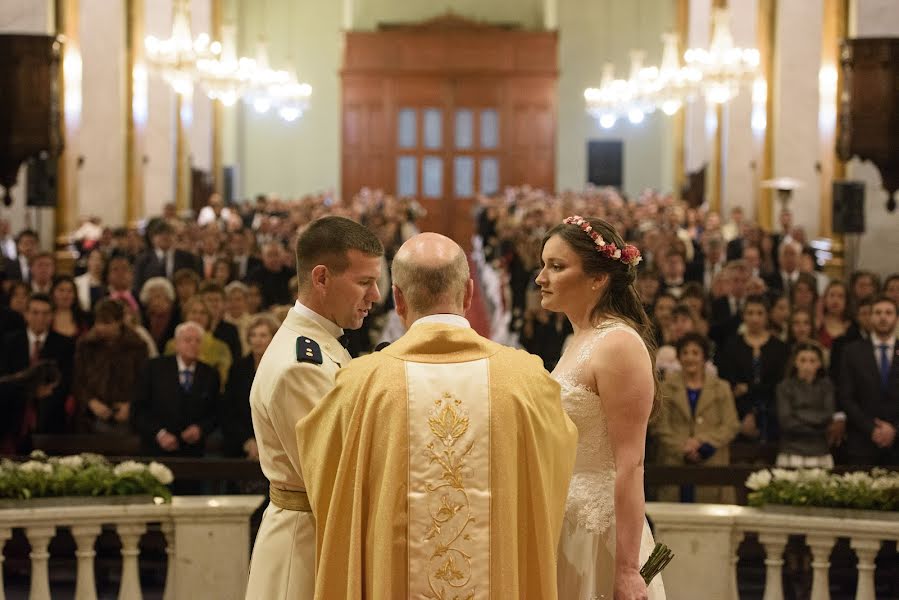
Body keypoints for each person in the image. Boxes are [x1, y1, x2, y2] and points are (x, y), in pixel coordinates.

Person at [296, 232, 577, 599]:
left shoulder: (360, 386)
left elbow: (322, 480)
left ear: (397, 298)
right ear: (469, 294)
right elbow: (553, 480)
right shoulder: (526, 381)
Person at [245, 216, 384, 600]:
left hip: (320, 537)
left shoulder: (322, 344)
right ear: (321, 278)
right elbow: (338, 476)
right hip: (304, 549)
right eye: (364, 282)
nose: (375, 295)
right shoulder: (301, 366)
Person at [535, 215, 665, 600]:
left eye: (556, 267)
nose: (541, 277)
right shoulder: (578, 339)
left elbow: (630, 463)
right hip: (566, 520)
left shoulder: (618, 344)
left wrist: (626, 569)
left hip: (601, 530)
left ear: (597, 278)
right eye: (543, 265)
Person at [653, 333, 739, 503]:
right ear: (679, 357)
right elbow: (659, 427)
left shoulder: (721, 387)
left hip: (712, 463)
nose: (690, 358)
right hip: (675, 463)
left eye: (695, 353)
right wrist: (684, 446)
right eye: (685, 353)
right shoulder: (666, 389)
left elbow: (730, 425)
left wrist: (700, 442)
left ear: (704, 357)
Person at [132, 321, 219, 457]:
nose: (193, 344)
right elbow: (139, 410)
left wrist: (200, 429)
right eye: (188, 340)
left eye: (197, 341)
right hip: (156, 448)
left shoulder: (210, 374)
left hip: (193, 453)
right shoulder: (154, 368)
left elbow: (215, 412)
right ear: (176, 344)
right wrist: (159, 434)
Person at [717, 295, 789, 444]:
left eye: (759, 313)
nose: (755, 319)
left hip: (772, 412)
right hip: (738, 412)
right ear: (743, 315)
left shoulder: (780, 347)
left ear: (767, 315)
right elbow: (729, 382)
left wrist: (749, 388)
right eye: (750, 313)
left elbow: (779, 383)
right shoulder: (731, 345)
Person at [0, 293, 75, 434]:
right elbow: (5, 377)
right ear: (26, 314)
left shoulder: (65, 344)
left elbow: (66, 381)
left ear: (52, 316)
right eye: (35, 312)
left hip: (50, 417)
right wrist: (28, 392)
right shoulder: (9, 342)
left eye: (45, 313)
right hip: (12, 415)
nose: (40, 318)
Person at [837, 296, 899, 465]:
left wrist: (894, 429)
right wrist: (871, 428)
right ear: (870, 317)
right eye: (878, 313)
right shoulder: (852, 352)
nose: (883, 317)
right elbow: (846, 397)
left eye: (888, 312)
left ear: (896, 318)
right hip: (862, 440)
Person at [73, 299, 149, 434]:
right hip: (90, 416)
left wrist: (130, 405)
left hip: (127, 416)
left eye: (107, 323)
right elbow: (78, 378)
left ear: (119, 322)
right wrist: (91, 402)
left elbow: (144, 380)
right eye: (98, 322)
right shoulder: (85, 345)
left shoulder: (137, 346)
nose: (100, 327)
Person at [221, 314, 279, 458]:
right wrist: (248, 441)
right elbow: (228, 410)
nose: (257, 340)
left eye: (263, 335)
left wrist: (265, 443)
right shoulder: (238, 368)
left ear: (273, 338)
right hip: (241, 441)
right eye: (253, 335)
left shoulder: (282, 368)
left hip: (275, 441)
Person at [775, 342, 835, 468]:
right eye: (803, 360)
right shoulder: (784, 387)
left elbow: (827, 417)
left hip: (820, 451)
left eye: (812, 361)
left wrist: (797, 413)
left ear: (819, 364)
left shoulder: (827, 387)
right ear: (795, 362)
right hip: (791, 450)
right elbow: (786, 422)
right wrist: (816, 423)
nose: (807, 365)